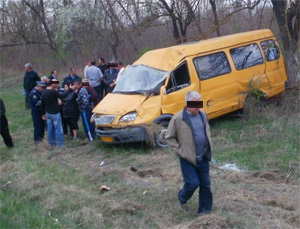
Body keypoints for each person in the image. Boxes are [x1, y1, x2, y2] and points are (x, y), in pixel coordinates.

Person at [165, 91, 213, 216]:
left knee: (205, 184)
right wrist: (180, 151)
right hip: (187, 158)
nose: (198, 107)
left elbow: (206, 131)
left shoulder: (203, 114)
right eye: (194, 104)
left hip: (203, 157)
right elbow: (169, 137)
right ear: (187, 103)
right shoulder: (178, 118)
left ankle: (205, 210)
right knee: (193, 183)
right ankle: (182, 197)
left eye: (199, 104)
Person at [41, 80, 72, 147]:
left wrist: (43, 113)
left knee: (50, 129)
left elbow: (42, 104)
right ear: (51, 84)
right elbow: (63, 95)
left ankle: (51, 143)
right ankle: (60, 144)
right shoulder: (53, 92)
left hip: (48, 113)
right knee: (58, 129)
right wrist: (70, 90)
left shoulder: (43, 93)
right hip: (55, 113)